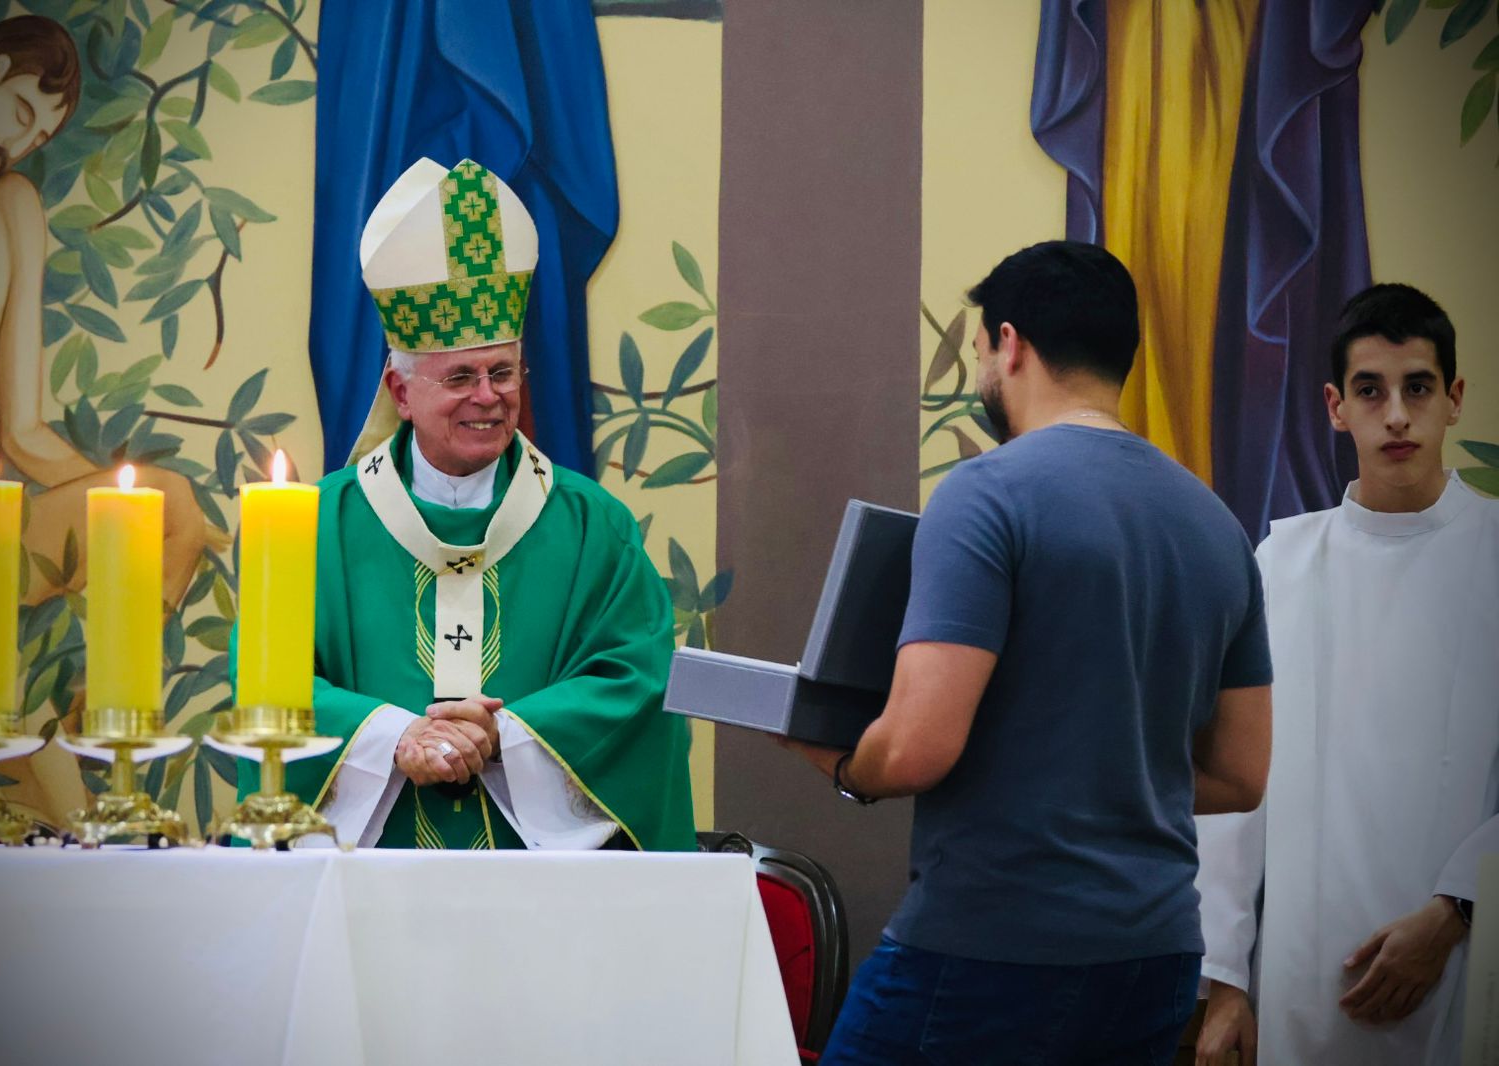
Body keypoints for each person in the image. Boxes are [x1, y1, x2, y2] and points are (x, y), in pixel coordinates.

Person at [784, 240, 1274, 1064]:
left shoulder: (987, 494)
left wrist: (837, 761)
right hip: (1155, 955)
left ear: (1008, 343)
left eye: (980, 350)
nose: (983, 369)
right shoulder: (1216, 525)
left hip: (993, 943)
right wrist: (1099, 771)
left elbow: (915, 749)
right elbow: (1242, 774)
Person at [234, 157, 695, 851]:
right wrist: (396, 737)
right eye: (460, 377)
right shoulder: (315, 526)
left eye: (503, 372)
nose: (488, 396)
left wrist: (503, 735)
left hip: (540, 894)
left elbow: (639, 682)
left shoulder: (593, 527)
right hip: (361, 882)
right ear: (401, 392)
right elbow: (269, 681)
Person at [0, 16, 205, 820]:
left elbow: (23, 433)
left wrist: (121, 509)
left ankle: (100, 720)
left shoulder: (13, 210)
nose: (23, 143)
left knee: (170, 505)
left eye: (42, 136)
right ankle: (82, 819)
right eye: (23, 114)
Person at [1195, 283, 1498, 1066]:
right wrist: (1224, 979)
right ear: (1336, 407)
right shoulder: (1280, 565)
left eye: (1418, 387)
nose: (1395, 415)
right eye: (1370, 390)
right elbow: (1235, 786)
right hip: (1299, 976)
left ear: (1454, 398)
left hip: (1470, 957)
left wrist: (1458, 907)